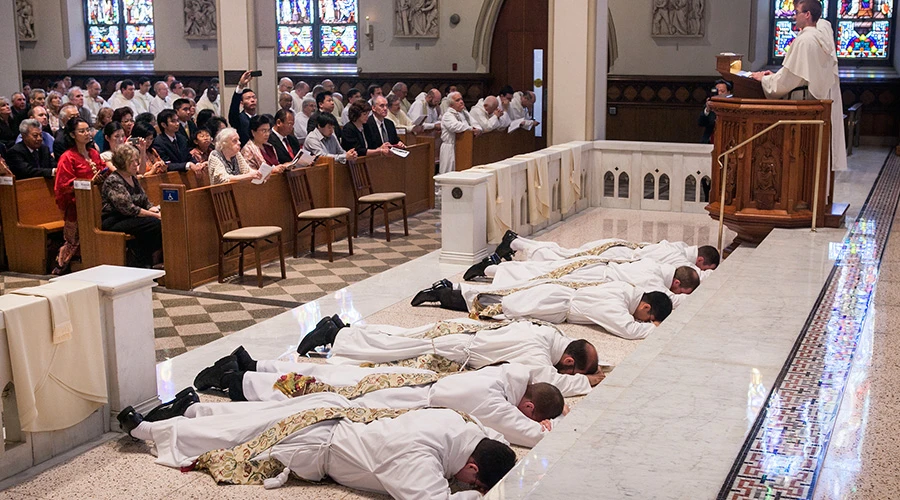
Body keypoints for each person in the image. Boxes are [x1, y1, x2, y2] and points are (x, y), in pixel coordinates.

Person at [117, 392, 515, 498]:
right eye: (474, 483)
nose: (467, 485)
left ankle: (192, 411)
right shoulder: (420, 460)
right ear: (473, 468)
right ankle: (149, 432)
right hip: (316, 441)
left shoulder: (460, 425)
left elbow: (493, 438)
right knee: (236, 439)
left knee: (251, 417)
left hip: (335, 413)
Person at [194, 351, 564, 448]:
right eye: (529, 414)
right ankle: (237, 381)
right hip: (402, 399)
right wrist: (546, 428)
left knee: (327, 377)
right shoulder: (494, 401)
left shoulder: (507, 376)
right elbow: (529, 435)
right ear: (528, 406)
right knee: (317, 393)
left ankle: (250, 368)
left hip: (410, 384)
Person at [298, 316, 603, 396]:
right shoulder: (537, 353)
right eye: (573, 371)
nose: (568, 374)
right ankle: (334, 335)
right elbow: (551, 381)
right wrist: (586, 382)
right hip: (454, 349)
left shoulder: (548, 334)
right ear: (568, 361)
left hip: (461, 332)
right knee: (390, 354)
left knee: (400, 337)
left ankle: (343, 328)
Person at [751, 0, 846, 172]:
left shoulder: (805, 41)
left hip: (799, 106)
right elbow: (801, 74)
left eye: (796, 12)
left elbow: (787, 81)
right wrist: (775, 76)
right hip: (813, 103)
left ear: (807, 15)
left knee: (795, 158)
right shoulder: (819, 39)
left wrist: (764, 80)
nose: (794, 16)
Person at [414, 278, 673, 340]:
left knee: (505, 298)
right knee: (502, 307)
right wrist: (656, 328)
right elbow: (627, 330)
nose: (643, 320)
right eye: (647, 317)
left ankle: (449, 290)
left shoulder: (626, 289)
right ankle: (441, 295)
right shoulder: (616, 304)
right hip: (553, 305)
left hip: (557, 296)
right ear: (646, 306)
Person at [53, 117, 104, 274]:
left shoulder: (93, 153)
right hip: (78, 204)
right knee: (73, 240)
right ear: (72, 134)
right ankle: (62, 263)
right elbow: (64, 184)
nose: (87, 133)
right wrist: (89, 182)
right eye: (82, 131)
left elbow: (102, 169)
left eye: (88, 130)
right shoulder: (67, 157)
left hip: (97, 200)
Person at [101, 144, 162, 267]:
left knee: (163, 220)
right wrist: (155, 215)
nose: (136, 164)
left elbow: (144, 201)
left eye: (136, 160)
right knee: (154, 223)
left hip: (132, 218)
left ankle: (146, 260)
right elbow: (129, 209)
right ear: (122, 163)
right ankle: (143, 260)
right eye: (132, 161)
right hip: (115, 220)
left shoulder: (132, 178)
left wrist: (154, 209)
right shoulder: (114, 180)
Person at [152, 109, 205, 174]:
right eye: (173, 121)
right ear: (163, 125)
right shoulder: (158, 142)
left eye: (177, 120)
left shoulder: (181, 138)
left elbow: (188, 156)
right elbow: (166, 164)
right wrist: (187, 165)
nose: (177, 124)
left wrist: (197, 164)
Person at [439, 92, 482, 174]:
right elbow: (456, 127)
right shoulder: (448, 115)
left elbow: (476, 124)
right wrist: (471, 129)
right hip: (450, 147)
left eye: (461, 99)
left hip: (463, 146)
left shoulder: (465, 113)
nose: (461, 102)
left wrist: (478, 130)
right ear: (451, 104)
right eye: (457, 100)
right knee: (448, 173)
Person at [228, 71, 258, 146]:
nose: (252, 100)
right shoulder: (238, 119)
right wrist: (241, 86)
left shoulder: (260, 119)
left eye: (254, 97)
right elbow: (234, 108)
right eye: (248, 98)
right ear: (241, 103)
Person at [698, 80, 731, 144]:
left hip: (726, 140)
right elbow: (701, 123)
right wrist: (707, 109)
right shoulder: (710, 103)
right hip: (709, 140)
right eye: (717, 91)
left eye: (722, 91)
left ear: (728, 93)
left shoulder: (732, 106)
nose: (719, 93)